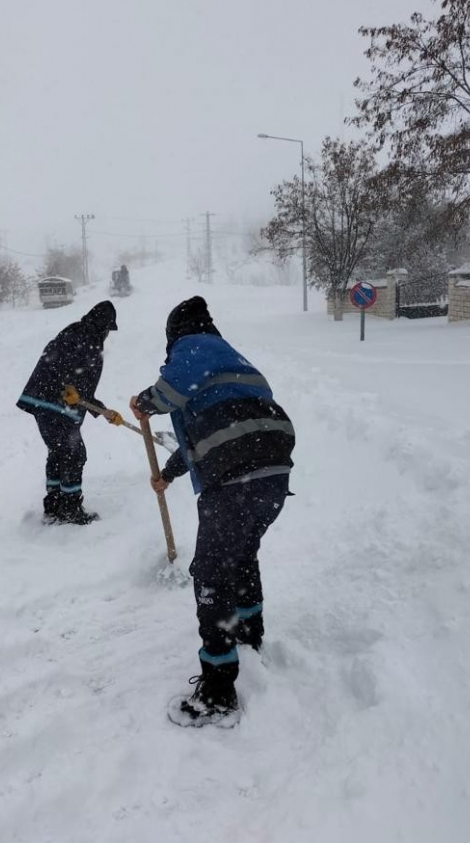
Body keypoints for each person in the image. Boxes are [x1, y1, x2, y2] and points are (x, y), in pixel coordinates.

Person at [130, 296, 295, 725]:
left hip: (236, 479)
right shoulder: (236, 363)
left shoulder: (194, 347)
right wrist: (168, 472)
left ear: (175, 334)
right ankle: (249, 634)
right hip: (272, 474)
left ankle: (219, 691)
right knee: (240, 556)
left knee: (210, 573)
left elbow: (168, 393)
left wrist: (145, 401)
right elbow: (216, 431)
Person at [17, 301, 121, 525]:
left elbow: (77, 384)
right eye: (107, 330)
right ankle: (70, 508)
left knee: (58, 452)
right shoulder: (88, 340)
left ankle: (54, 504)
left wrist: (104, 411)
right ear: (103, 326)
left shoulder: (75, 331)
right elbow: (75, 378)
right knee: (74, 454)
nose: (107, 335)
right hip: (55, 405)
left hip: (42, 400)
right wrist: (68, 387)